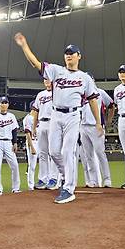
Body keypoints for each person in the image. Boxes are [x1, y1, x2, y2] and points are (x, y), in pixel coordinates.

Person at [14, 32, 102, 204]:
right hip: (56, 114)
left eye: (72, 53)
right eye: (66, 54)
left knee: (68, 151)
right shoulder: (56, 70)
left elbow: (92, 101)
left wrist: (98, 122)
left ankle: (69, 189)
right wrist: (25, 46)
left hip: (73, 115)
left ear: (79, 56)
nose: (69, 55)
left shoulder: (84, 77)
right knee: (54, 152)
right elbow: (35, 63)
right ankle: (66, 176)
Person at [79, 82, 114, 188]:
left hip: (96, 126)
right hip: (83, 126)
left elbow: (111, 105)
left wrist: (108, 121)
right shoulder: (81, 94)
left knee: (100, 153)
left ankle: (107, 179)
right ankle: (93, 180)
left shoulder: (100, 92)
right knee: (88, 155)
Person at [0, 96, 20, 196]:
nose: (4, 104)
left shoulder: (12, 116)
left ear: (8, 104)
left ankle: (16, 188)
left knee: (15, 165)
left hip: (9, 142)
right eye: (2, 103)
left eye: (6, 103)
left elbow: (14, 130)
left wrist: (15, 142)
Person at [30, 79, 58, 190]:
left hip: (53, 122)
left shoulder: (57, 92)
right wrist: (34, 127)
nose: (47, 82)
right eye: (45, 80)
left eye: (49, 80)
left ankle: (53, 178)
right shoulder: (40, 94)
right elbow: (35, 111)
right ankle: (43, 178)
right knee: (42, 153)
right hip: (42, 123)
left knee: (53, 152)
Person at [23, 103, 38, 191]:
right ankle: (30, 186)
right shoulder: (28, 118)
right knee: (32, 166)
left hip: (41, 142)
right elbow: (27, 134)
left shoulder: (39, 117)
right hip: (33, 142)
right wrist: (31, 147)